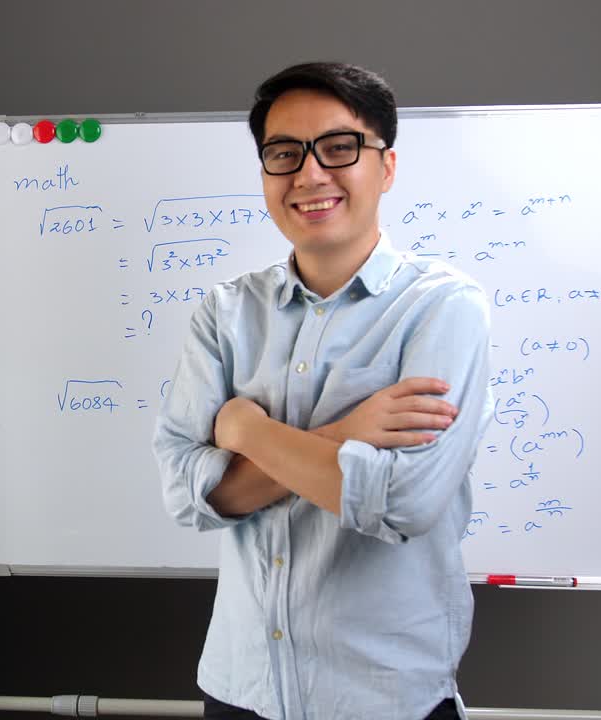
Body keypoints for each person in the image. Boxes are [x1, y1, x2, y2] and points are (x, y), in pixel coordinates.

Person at [152, 62, 493, 720]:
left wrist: (247, 431)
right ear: (264, 174)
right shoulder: (225, 313)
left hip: (383, 699)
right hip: (240, 687)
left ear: (386, 168)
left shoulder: (443, 307)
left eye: (339, 148)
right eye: (284, 154)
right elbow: (186, 495)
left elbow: (400, 505)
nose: (309, 175)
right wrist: (346, 434)